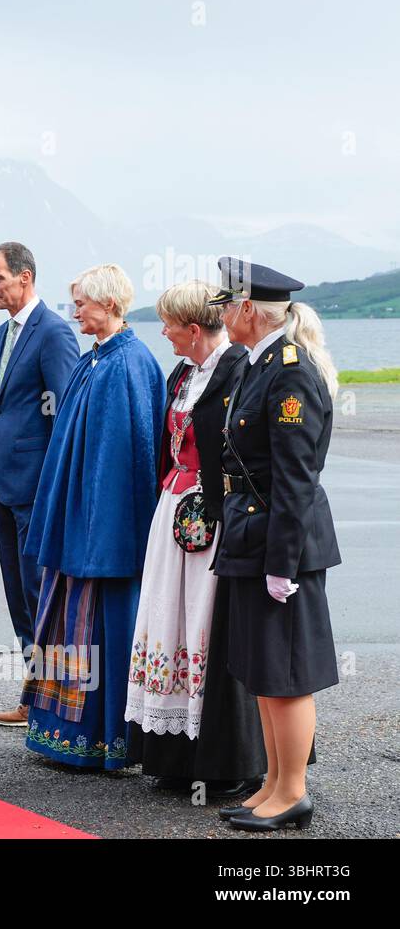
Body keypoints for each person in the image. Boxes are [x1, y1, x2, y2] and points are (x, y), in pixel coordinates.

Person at [208, 257, 340, 831]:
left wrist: (281, 563)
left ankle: (293, 791)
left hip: (280, 543)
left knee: (286, 674)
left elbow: (295, 478)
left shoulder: (290, 372)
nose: (222, 317)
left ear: (245, 311)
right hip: (252, 534)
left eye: (225, 307)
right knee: (263, 671)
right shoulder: (258, 365)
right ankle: (271, 784)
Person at [20, 264, 166, 770]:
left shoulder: (129, 365)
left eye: (81, 302)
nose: (75, 310)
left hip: (106, 534)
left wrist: (101, 536)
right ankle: (64, 736)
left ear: (108, 304)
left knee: (102, 628)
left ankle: (103, 742)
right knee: (66, 623)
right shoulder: (95, 359)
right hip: (79, 525)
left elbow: (133, 461)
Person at [124, 280, 266, 798]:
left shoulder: (237, 370)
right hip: (174, 512)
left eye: (167, 324)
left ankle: (228, 761)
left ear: (191, 328)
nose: (161, 332)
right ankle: (175, 754)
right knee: (169, 619)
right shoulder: (183, 372)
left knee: (209, 626)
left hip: (216, 517)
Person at [0, 242, 79, 727]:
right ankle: (33, 694)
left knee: (43, 595)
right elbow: (1, 416)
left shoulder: (54, 333)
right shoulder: (0, 336)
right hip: (4, 487)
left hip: (39, 489)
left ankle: (55, 702)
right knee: (18, 595)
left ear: (25, 277)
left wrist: (59, 488)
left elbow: (64, 418)